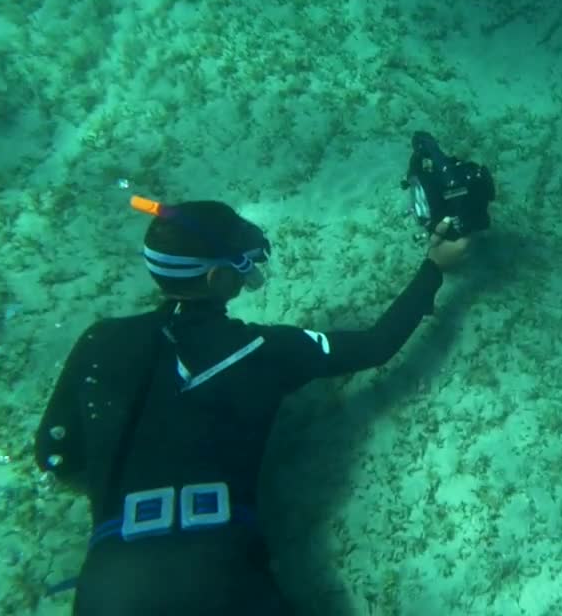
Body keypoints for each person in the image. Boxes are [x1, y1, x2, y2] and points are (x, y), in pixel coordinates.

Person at [33, 197, 470, 615]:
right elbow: (376, 345)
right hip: (220, 576)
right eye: (239, 263)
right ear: (216, 281)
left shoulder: (99, 342)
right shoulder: (260, 350)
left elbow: (54, 456)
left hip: (112, 589)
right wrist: (433, 269)